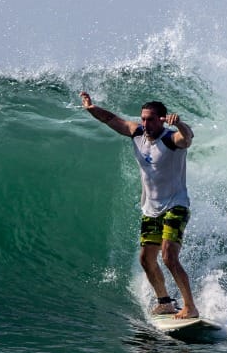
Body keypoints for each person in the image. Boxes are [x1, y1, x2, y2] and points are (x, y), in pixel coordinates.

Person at [79, 91, 199, 319]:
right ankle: (165, 302)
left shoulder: (170, 140)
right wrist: (90, 107)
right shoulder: (137, 133)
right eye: (143, 118)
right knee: (146, 259)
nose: (146, 122)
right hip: (151, 208)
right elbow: (112, 120)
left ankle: (190, 306)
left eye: (151, 119)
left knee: (168, 257)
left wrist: (180, 124)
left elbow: (188, 138)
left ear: (162, 119)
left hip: (176, 205)